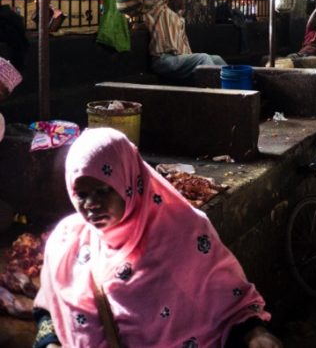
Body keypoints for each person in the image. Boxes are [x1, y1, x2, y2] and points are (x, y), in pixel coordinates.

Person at [33, 128, 281, 348]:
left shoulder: (184, 233)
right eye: (81, 194)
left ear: (129, 181)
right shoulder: (68, 240)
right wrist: (50, 343)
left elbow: (231, 303)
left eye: (102, 191)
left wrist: (255, 333)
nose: (91, 205)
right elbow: (49, 307)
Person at [145, 0, 226, 80]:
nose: (182, 1)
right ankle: (215, 90)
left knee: (217, 59)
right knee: (203, 58)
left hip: (179, 58)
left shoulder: (177, 17)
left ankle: (232, 85)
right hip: (163, 60)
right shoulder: (158, 11)